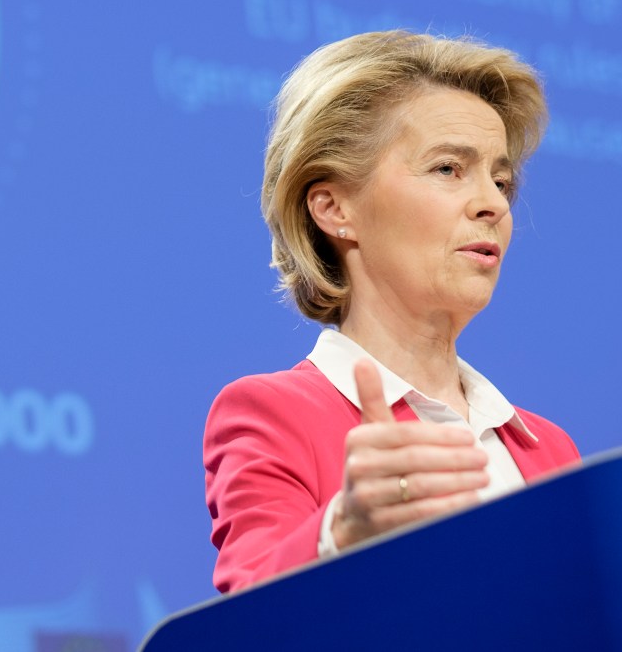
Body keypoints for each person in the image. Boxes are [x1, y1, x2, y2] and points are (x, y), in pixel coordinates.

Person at [204, 30, 580, 594]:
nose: (495, 203)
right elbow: (243, 622)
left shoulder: (547, 448)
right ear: (334, 208)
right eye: (449, 169)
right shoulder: (271, 416)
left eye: (501, 180)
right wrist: (341, 534)